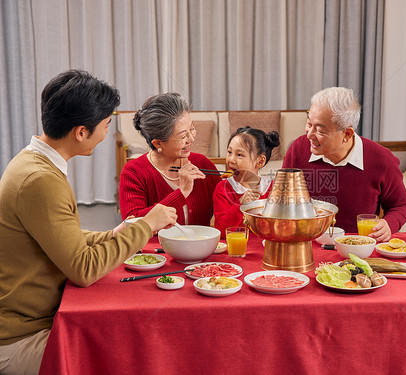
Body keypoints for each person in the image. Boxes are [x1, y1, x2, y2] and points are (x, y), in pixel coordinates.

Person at [0, 70, 177, 375]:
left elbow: (59, 235)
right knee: (130, 350)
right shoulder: (41, 180)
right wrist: (145, 225)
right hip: (23, 335)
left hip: (29, 319)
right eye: (106, 125)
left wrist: (112, 234)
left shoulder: (33, 161)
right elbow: (83, 269)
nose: (107, 133)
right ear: (81, 131)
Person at [282, 87, 406, 241]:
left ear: (347, 134)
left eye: (320, 130)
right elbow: (282, 201)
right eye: (309, 124)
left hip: (357, 246)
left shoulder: (382, 159)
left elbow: (401, 205)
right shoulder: (298, 149)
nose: (309, 135)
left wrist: (388, 224)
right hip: (306, 243)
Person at [119, 93, 221, 225]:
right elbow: (132, 225)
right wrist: (182, 192)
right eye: (183, 136)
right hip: (156, 246)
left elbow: (226, 206)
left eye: (192, 129)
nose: (192, 139)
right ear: (158, 143)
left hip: (202, 245)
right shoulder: (134, 172)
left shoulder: (203, 164)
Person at [213, 126, 280, 238]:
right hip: (235, 250)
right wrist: (240, 205)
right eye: (229, 152)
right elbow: (221, 230)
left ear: (260, 161)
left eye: (239, 155)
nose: (231, 160)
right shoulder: (223, 188)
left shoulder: (272, 188)